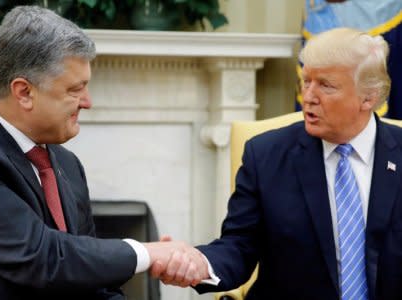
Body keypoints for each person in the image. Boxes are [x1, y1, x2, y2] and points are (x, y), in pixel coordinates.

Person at [0, 5, 194, 299]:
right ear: (24, 92)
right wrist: (147, 253)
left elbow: (89, 280)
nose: (87, 102)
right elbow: (41, 257)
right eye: (75, 89)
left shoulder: (65, 163)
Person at [152, 27, 402, 300]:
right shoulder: (266, 155)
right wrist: (200, 263)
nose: (308, 96)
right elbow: (239, 246)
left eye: (326, 85)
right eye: (306, 82)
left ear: (370, 97)